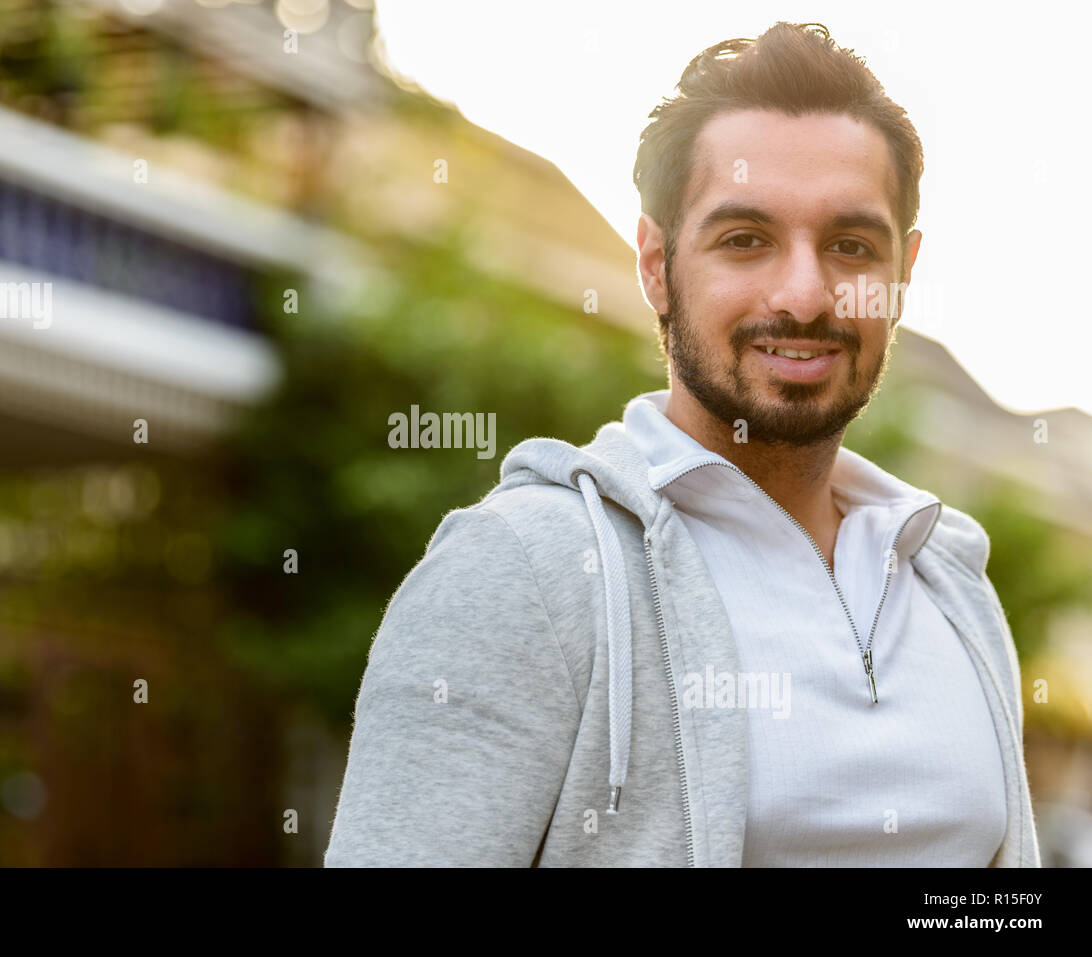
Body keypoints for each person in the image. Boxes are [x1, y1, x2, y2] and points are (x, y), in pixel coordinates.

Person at [324, 21, 1039, 867]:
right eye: (746, 239)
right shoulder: (523, 570)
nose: (804, 294)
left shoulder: (950, 582)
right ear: (657, 264)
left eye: (851, 245)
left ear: (903, 273)